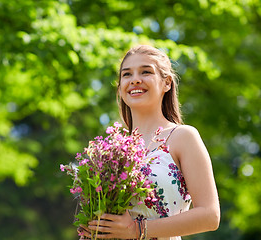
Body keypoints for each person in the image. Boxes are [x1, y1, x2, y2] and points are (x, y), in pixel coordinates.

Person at [78, 45, 220, 239]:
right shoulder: (111, 150)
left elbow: (210, 216)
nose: (135, 79)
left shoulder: (183, 137)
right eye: (126, 75)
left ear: (167, 83)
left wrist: (137, 230)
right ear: (120, 88)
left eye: (146, 72)